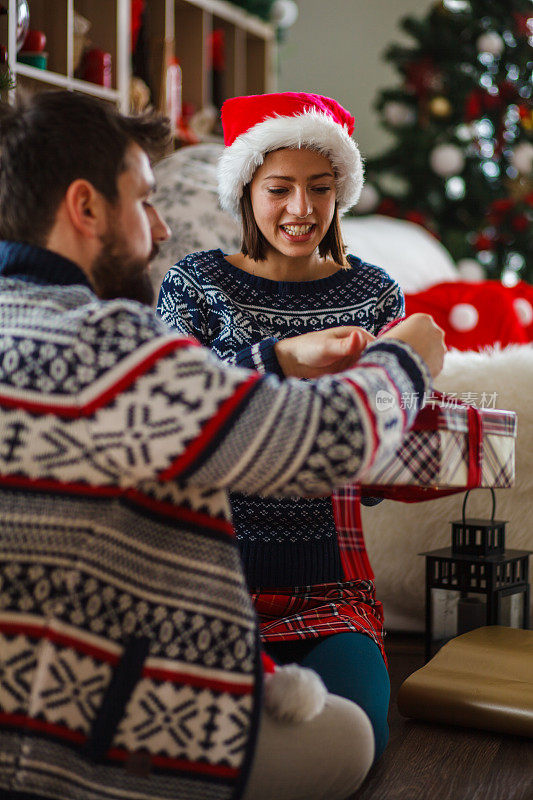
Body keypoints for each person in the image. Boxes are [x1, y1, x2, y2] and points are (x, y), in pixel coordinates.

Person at [0, 90, 445, 800]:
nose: (161, 222)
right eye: (143, 199)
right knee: (348, 741)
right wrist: (410, 355)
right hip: (85, 734)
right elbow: (323, 439)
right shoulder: (117, 346)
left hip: (306, 592)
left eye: (319, 188)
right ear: (85, 209)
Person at [157, 91, 419, 761]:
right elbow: (174, 408)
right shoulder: (194, 283)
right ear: (245, 188)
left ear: (341, 191)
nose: (301, 209)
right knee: (209, 741)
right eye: (279, 188)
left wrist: (393, 456)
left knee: (356, 738)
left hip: (331, 584)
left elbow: (386, 439)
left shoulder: (376, 295)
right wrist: (282, 357)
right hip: (212, 579)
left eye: (319, 188)